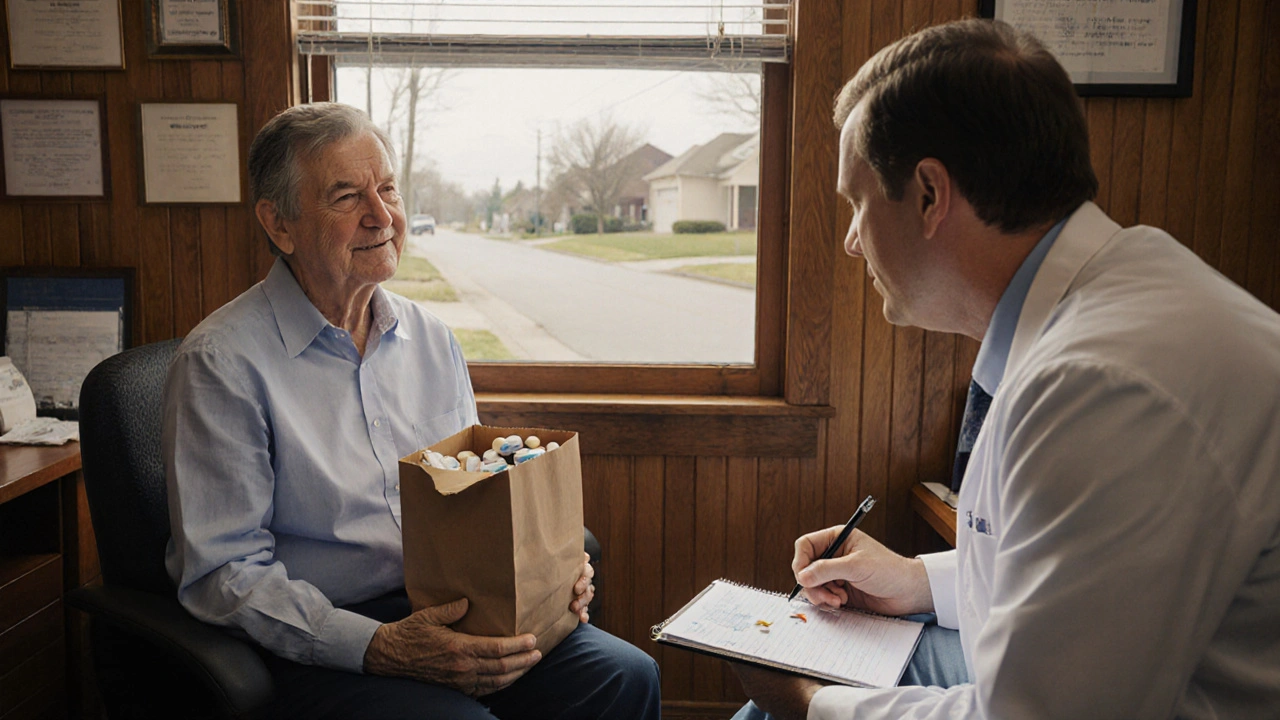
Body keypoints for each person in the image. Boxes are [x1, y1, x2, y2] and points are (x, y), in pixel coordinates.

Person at [731, 18, 1280, 720]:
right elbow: (1087, 576)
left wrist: (811, 705)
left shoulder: (1105, 385)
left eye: (858, 204)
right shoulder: (1111, 294)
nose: (851, 241)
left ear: (929, 195)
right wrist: (914, 580)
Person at [162, 102, 660, 720]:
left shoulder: (431, 338)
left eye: (389, 189)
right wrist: (379, 647)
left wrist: (554, 571)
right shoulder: (220, 364)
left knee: (626, 677)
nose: (383, 216)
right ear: (279, 224)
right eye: (347, 196)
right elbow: (222, 574)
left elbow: (478, 498)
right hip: (324, 639)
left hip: (458, 605)